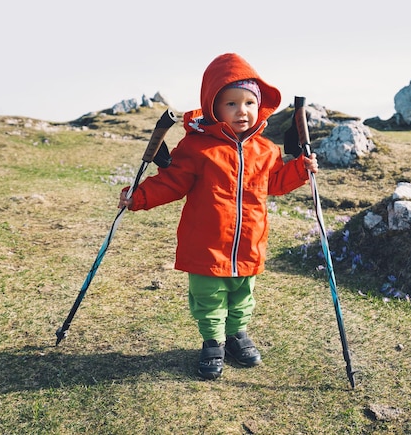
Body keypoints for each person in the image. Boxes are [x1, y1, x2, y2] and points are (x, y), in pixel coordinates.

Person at [119, 53, 318, 380]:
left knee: (243, 294)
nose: (242, 111)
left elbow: (276, 184)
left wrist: (300, 168)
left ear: (259, 106)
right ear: (213, 107)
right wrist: (137, 196)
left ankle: (236, 335)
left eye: (249, 103)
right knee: (208, 296)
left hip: (248, 244)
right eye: (231, 104)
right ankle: (213, 340)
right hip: (206, 245)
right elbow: (171, 182)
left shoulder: (266, 150)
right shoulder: (198, 148)